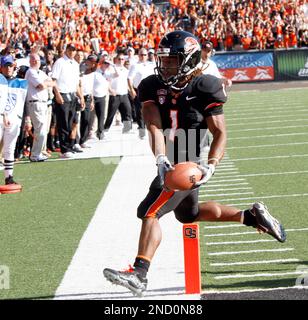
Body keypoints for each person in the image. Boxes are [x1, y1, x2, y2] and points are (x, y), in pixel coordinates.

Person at [103, 31, 286, 297]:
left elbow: (220, 132)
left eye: (172, 61)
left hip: (190, 161)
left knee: (149, 210)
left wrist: (211, 164)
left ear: (188, 61)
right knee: (187, 215)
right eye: (163, 60)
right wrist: (160, 157)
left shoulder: (206, 86)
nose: (165, 66)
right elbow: (153, 124)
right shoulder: (151, 85)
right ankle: (250, 216)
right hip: (170, 157)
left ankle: (139, 274)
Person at [51, 43, 85, 158]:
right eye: (70, 50)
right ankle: (64, 149)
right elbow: (54, 80)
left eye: (74, 50)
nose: (72, 52)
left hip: (72, 95)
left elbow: (76, 84)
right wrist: (57, 94)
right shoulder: (60, 62)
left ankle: (69, 146)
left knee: (71, 123)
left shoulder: (75, 64)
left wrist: (80, 97)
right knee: (63, 123)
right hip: (63, 94)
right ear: (66, 50)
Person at [0, 55, 29, 184]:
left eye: (11, 66)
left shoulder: (21, 83)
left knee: (10, 148)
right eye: (6, 66)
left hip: (14, 119)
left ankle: (9, 177)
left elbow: (24, 102)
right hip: (1, 117)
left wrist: (26, 119)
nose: (9, 68)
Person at [25, 53, 56, 162]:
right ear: (31, 61)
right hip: (35, 102)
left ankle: (37, 153)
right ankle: (34, 154)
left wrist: (46, 83)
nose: (37, 62)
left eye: (38, 60)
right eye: (35, 60)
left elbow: (53, 82)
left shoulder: (41, 73)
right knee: (40, 129)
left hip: (43, 103)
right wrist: (46, 83)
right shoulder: (30, 72)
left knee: (43, 129)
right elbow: (41, 85)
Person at [128, 48, 155, 139]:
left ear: (147, 56)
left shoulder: (151, 65)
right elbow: (129, 78)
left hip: (150, 90)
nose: (142, 56)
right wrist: (131, 90)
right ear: (138, 55)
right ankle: (142, 130)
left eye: (144, 55)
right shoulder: (135, 65)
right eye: (141, 55)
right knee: (140, 111)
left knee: (151, 110)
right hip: (139, 90)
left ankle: (151, 129)